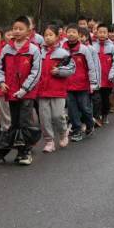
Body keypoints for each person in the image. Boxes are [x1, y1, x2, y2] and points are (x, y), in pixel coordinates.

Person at [0, 16, 42, 165]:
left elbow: (36, 72)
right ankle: (17, 150)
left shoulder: (33, 50)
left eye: (21, 29)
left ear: (28, 31)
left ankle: (25, 152)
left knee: (24, 122)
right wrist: (1, 82)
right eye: (15, 28)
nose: (17, 31)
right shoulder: (6, 49)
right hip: (11, 92)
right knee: (14, 122)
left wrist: (24, 89)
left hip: (27, 93)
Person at [37, 24, 75, 152]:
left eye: (50, 35)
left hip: (58, 90)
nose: (47, 38)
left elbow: (71, 68)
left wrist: (59, 70)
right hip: (42, 90)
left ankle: (63, 133)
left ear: (57, 36)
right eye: (45, 35)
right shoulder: (39, 52)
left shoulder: (63, 53)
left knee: (57, 116)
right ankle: (49, 141)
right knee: (44, 118)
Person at [63, 24, 99, 142]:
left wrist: (93, 83)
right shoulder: (62, 49)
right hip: (68, 85)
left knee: (85, 108)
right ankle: (77, 130)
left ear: (79, 35)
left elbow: (91, 67)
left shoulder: (84, 49)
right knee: (72, 110)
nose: (71, 34)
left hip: (82, 85)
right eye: (69, 32)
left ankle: (89, 125)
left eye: (74, 32)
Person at [92, 23, 114, 127]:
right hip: (96, 79)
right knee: (96, 99)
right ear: (96, 33)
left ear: (107, 33)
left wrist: (112, 75)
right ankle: (96, 116)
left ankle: (105, 115)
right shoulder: (92, 46)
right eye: (100, 32)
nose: (102, 34)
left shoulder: (113, 48)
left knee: (105, 99)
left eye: (104, 32)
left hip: (107, 79)